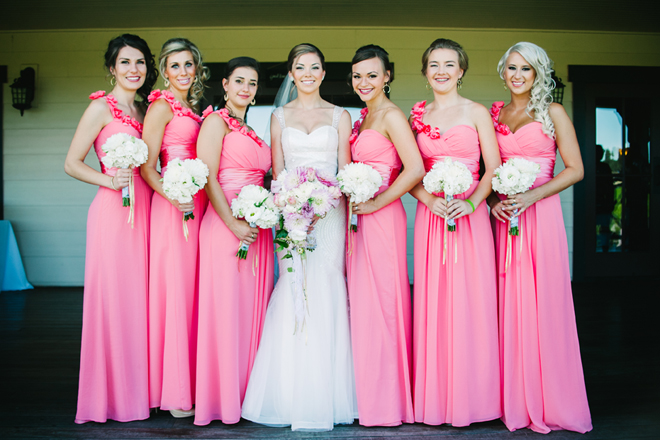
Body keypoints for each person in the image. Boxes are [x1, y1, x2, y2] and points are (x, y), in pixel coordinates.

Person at [242, 43, 357, 431]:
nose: (307, 73)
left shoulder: (341, 116)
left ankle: (330, 391)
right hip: (292, 215)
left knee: (326, 282)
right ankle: (289, 393)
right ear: (291, 74)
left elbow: (345, 170)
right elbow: (277, 173)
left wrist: (323, 205)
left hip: (330, 215)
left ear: (324, 73)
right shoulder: (278, 117)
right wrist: (293, 209)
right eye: (300, 67)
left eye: (315, 67)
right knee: (294, 283)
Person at [487, 41, 592, 434]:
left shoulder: (553, 112)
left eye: (525, 70)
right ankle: (510, 395)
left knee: (542, 302)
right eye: (511, 68)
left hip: (540, 215)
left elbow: (575, 169)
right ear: (503, 71)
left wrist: (530, 196)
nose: (517, 76)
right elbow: (490, 169)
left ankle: (550, 398)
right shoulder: (496, 114)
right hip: (506, 218)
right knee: (507, 301)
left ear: (538, 74)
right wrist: (496, 200)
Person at [64, 34, 157, 424]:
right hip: (113, 213)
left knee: (140, 301)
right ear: (112, 68)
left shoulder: (145, 109)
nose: (134, 69)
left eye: (140, 63)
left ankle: (141, 391)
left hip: (147, 212)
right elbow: (72, 162)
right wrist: (110, 180)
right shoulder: (101, 107)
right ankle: (112, 397)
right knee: (115, 301)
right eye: (125, 63)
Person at [409, 38, 501, 427]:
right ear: (426, 71)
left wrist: (471, 203)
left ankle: (475, 398)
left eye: (449, 64)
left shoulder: (477, 112)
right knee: (434, 303)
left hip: (470, 216)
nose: (441, 71)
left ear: (461, 71)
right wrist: (428, 201)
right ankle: (437, 397)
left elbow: (493, 168)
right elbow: (407, 172)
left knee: (472, 301)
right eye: (434, 64)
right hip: (433, 217)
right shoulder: (416, 117)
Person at [346, 44, 425, 427]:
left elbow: (414, 169)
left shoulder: (392, 115)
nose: (364, 82)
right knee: (363, 303)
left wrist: (378, 203)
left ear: (387, 76)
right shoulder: (364, 116)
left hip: (382, 215)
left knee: (384, 302)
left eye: (372, 75)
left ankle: (389, 401)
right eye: (358, 75)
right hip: (359, 217)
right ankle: (367, 393)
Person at [194, 57, 274, 426]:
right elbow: (208, 178)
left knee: (247, 313)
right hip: (226, 227)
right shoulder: (215, 122)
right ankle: (220, 399)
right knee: (224, 313)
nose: (245, 88)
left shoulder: (249, 128)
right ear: (224, 84)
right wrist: (233, 224)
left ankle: (246, 394)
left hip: (257, 229)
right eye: (239, 81)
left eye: (252, 83)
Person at [141, 38, 209, 418]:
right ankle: (173, 390)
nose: (183, 72)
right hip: (173, 205)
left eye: (189, 65)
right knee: (175, 291)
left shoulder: (191, 107)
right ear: (165, 71)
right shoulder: (161, 106)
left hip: (195, 203)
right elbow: (149, 166)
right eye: (175, 66)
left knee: (192, 291)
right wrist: (173, 196)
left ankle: (191, 380)